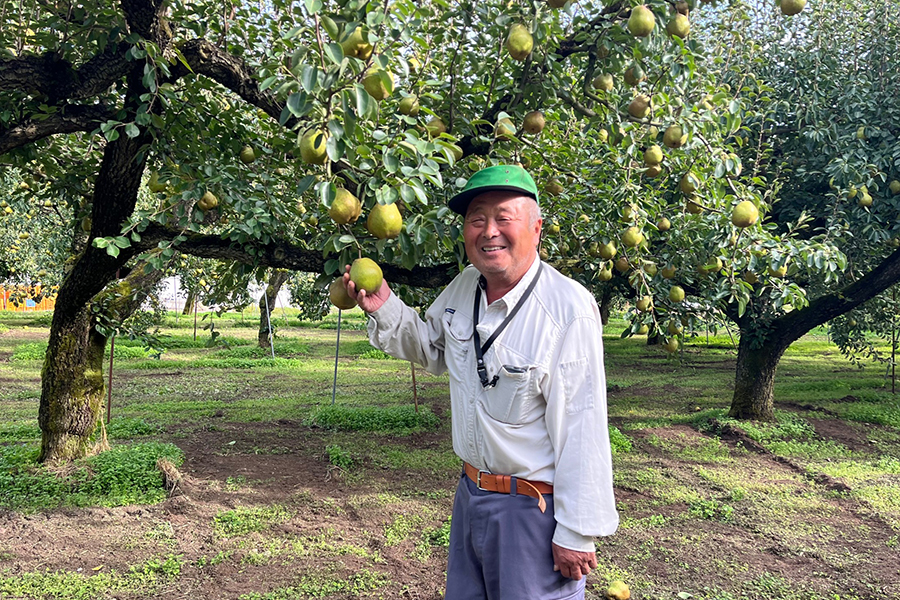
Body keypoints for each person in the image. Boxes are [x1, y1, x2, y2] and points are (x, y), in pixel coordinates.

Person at [342, 164, 618, 600]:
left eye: (503, 217)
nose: (489, 231)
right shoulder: (465, 286)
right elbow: (432, 348)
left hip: (531, 509)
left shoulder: (568, 309)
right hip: (470, 495)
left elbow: (583, 428)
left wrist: (578, 532)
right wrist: (384, 305)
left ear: (536, 228)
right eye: (477, 219)